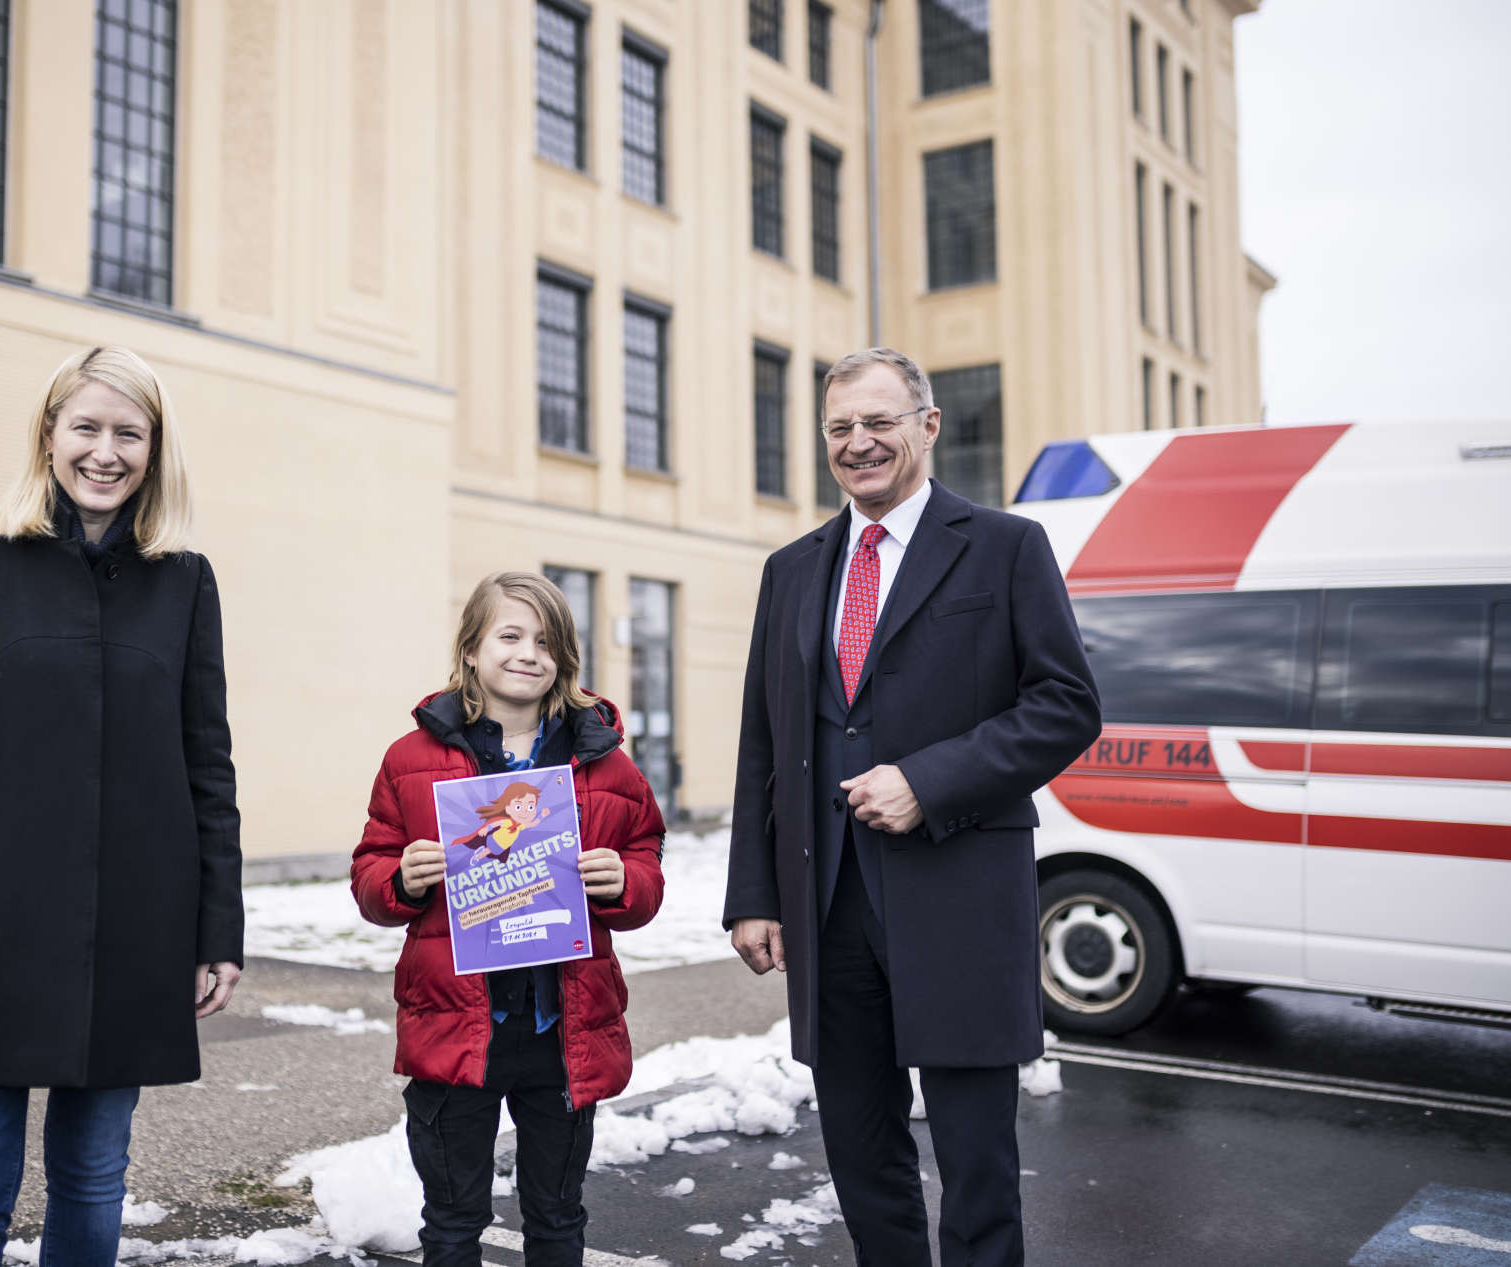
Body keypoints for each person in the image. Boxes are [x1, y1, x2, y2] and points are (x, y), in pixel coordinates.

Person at [0, 346, 244, 1267]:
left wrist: (215, 931)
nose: (105, 452)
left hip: (131, 935)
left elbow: (207, 766)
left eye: (129, 433)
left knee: (93, 1181)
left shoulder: (184, 580)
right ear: (49, 434)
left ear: (156, 449)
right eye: (87, 427)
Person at [723, 347, 1100, 1267]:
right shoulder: (791, 569)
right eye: (841, 428)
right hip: (828, 905)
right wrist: (753, 892)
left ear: (926, 426)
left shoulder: (1007, 547)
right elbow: (763, 745)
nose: (860, 443)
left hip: (960, 894)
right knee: (858, 1149)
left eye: (879, 422)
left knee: (977, 1162)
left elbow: (1065, 706)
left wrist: (928, 781)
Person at [351, 571, 665, 1267]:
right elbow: (370, 872)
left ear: (566, 659)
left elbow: (646, 861)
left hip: (564, 1032)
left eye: (547, 641)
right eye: (510, 635)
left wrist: (625, 879)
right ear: (471, 648)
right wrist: (399, 877)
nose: (529, 653)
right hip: (457, 1030)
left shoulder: (605, 762)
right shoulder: (412, 759)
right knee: (454, 1219)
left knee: (556, 1216)